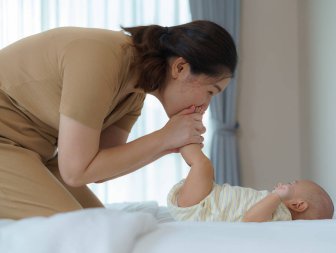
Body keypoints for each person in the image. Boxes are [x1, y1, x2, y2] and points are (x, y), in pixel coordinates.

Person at [0, 20, 237, 219]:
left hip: (33, 152)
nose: (205, 106)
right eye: (210, 92)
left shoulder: (134, 96)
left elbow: (98, 171)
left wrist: (168, 143)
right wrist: (164, 138)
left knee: (99, 222)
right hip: (6, 142)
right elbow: (75, 171)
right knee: (78, 228)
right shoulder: (101, 60)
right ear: (180, 68)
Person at [167, 143, 334, 222]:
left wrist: (276, 196)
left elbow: (250, 219)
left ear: (298, 205)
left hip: (203, 207)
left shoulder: (282, 216)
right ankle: (182, 136)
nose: (286, 183)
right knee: (203, 167)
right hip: (210, 196)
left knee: (203, 165)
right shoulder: (279, 208)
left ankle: (181, 132)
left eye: (292, 184)